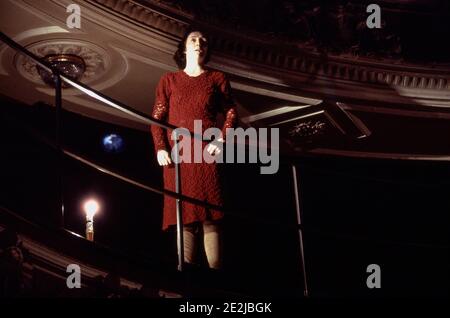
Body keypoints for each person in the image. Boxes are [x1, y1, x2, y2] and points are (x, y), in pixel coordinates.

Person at [150, 29, 238, 269]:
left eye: (203, 41)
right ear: (184, 47)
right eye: (193, 39)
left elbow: (231, 113)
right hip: (177, 157)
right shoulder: (169, 80)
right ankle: (185, 278)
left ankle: (215, 279)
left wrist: (220, 141)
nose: (199, 43)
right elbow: (157, 118)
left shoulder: (217, 78)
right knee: (184, 219)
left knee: (211, 219)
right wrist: (160, 147)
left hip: (205, 153)